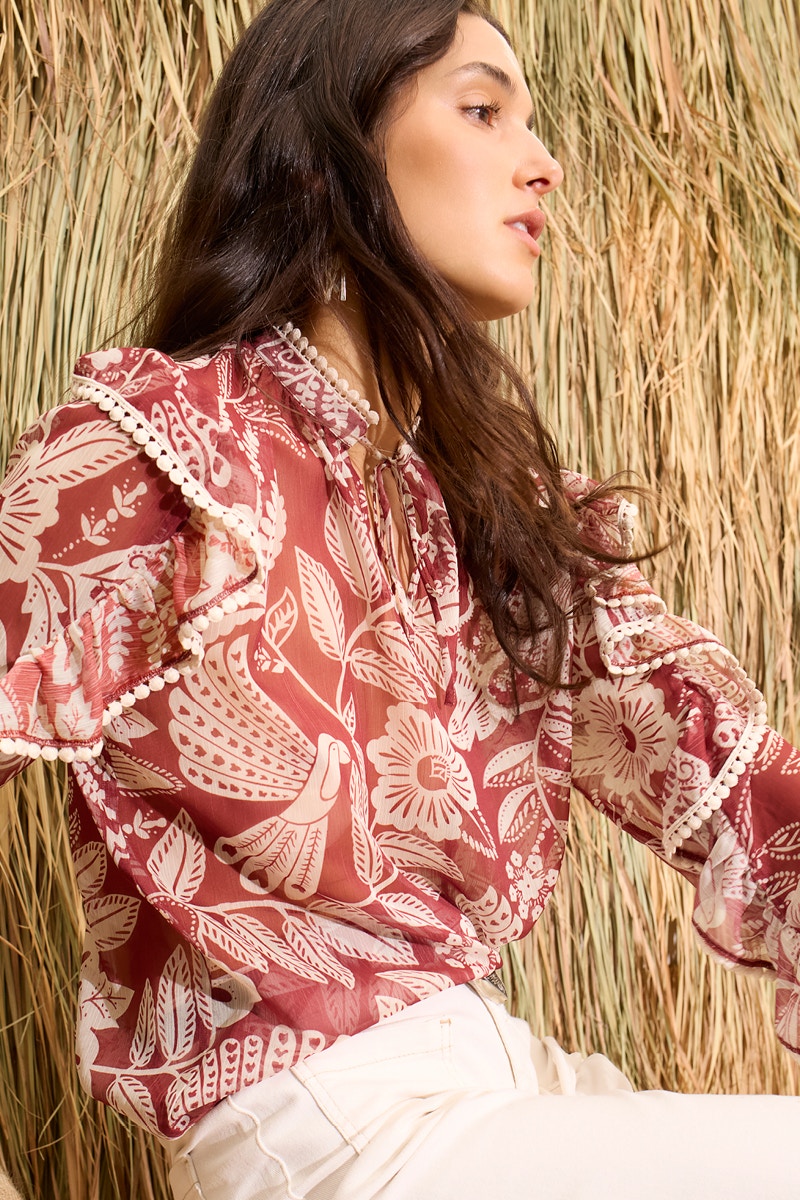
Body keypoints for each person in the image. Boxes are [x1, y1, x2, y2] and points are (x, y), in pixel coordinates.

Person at [1, 1, 799, 1196]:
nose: (543, 162)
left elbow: (732, 782)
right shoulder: (155, 452)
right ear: (326, 159)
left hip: (504, 1082)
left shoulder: (495, 513)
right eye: (481, 110)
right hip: (336, 1127)